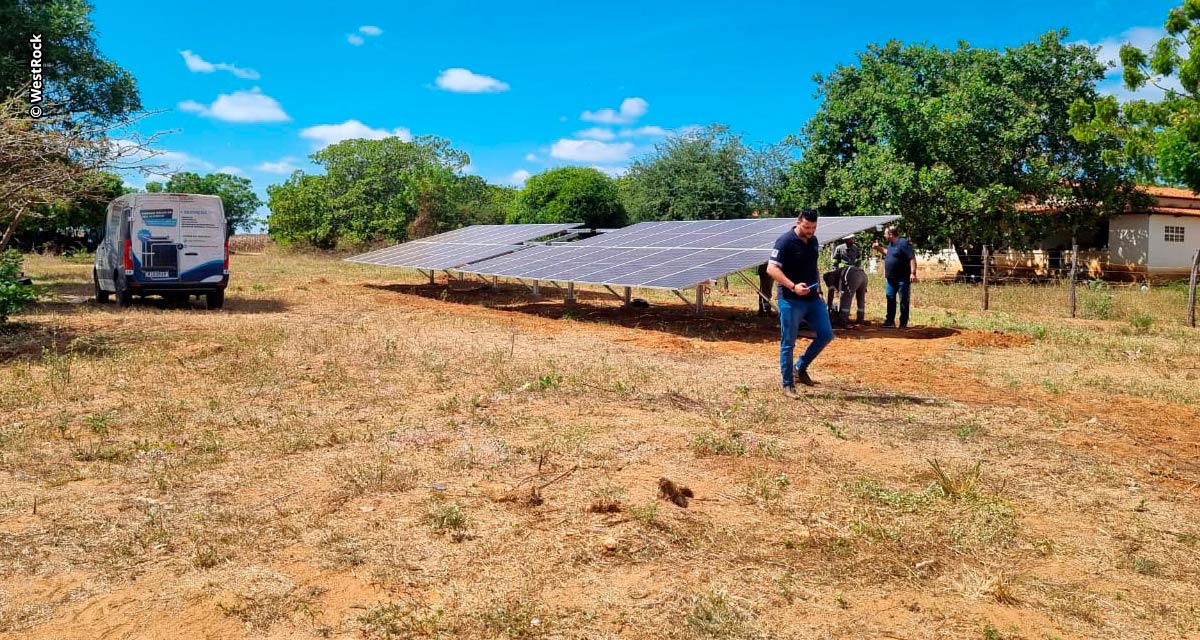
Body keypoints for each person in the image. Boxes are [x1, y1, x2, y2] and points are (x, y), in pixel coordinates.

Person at [766, 209, 834, 397]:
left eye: (813, 227)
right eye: (806, 227)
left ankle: (800, 367)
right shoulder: (785, 242)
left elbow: (813, 269)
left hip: (812, 299)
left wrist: (819, 290)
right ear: (798, 223)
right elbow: (771, 269)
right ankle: (788, 384)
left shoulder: (813, 241)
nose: (810, 231)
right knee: (788, 343)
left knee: (826, 334)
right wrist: (792, 286)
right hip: (790, 299)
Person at [871, 227, 917, 329]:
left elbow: (912, 257)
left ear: (891, 234)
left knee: (903, 300)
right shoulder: (891, 244)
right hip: (890, 278)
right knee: (890, 298)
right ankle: (890, 321)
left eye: (885, 234)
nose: (884, 235)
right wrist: (878, 248)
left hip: (902, 278)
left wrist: (913, 273)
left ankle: (903, 323)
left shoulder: (903, 243)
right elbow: (889, 253)